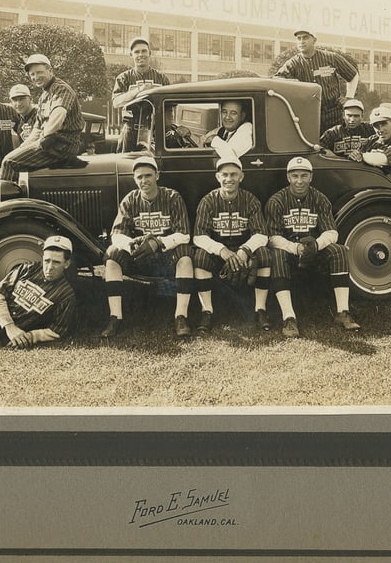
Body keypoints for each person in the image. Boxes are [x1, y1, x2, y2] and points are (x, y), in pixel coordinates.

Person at [100, 156, 195, 339]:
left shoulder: (172, 197)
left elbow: (184, 234)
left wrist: (158, 243)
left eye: (148, 175)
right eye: (139, 177)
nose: (144, 181)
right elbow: (117, 234)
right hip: (139, 257)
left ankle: (181, 316)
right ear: (134, 179)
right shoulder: (130, 200)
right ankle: (115, 317)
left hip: (166, 258)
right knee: (112, 255)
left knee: (185, 255)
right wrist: (130, 245)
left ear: (157, 175)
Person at [264, 156, 360, 334]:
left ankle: (342, 312)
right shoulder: (276, 201)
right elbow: (272, 237)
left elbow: (332, 232)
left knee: (338, 250)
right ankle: (289, 317)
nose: (299, 181)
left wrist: (316, 245)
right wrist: (295, 248)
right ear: (288, 177)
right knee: (277, 254)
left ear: (311, 177)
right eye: (295, 176)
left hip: (315, 249)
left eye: (303, 176)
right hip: (289, 251)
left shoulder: (320, 199)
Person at [191, 157, 275, 337]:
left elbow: (261, 234)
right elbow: (199, 236)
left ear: (241, 177)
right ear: (217, 177)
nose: (229, 179)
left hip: (243, 248)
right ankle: (207, 311)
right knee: (200, 257)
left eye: (234, 174)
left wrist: (244, 250)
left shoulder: (250, 200)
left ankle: (260, 308)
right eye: (225, 175)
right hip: (219, 250)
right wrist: (221, 250)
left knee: (265, 255)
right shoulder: (208, 201)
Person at [0, 54, 85, 181]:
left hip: (63, 146)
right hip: (53, 145)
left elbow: (58, 117)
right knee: (12, 157)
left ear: (50, 70)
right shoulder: (44, 96)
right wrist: (23, 148)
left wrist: (41, 140)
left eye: (39, 72)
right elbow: (37, 129)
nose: (36, 77)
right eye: (32, 74)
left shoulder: (61, 89)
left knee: (9, 163)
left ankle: (8, 200)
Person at [274, 29, 359, 134]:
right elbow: (277, 80)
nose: (301, 41)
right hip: (308, 116)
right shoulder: (293, 63)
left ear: (314, 40)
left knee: (336, 145)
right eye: (299, 38)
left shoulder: (330, 57)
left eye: (305, 37)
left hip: (333, 114)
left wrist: (349, 98)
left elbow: (353, 75)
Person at [112, 37, 171, 152]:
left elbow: (170, 107)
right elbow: (116, 103)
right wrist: (138, 91)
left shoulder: (161, 78)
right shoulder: (124, 78)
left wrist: (168, 128)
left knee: (154, 165)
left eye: (144, 51)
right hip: (130, 130)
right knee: (125, 165)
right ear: (131, 55)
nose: (141, 55)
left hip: (155, 131)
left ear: (150, 53)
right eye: (136, 52)